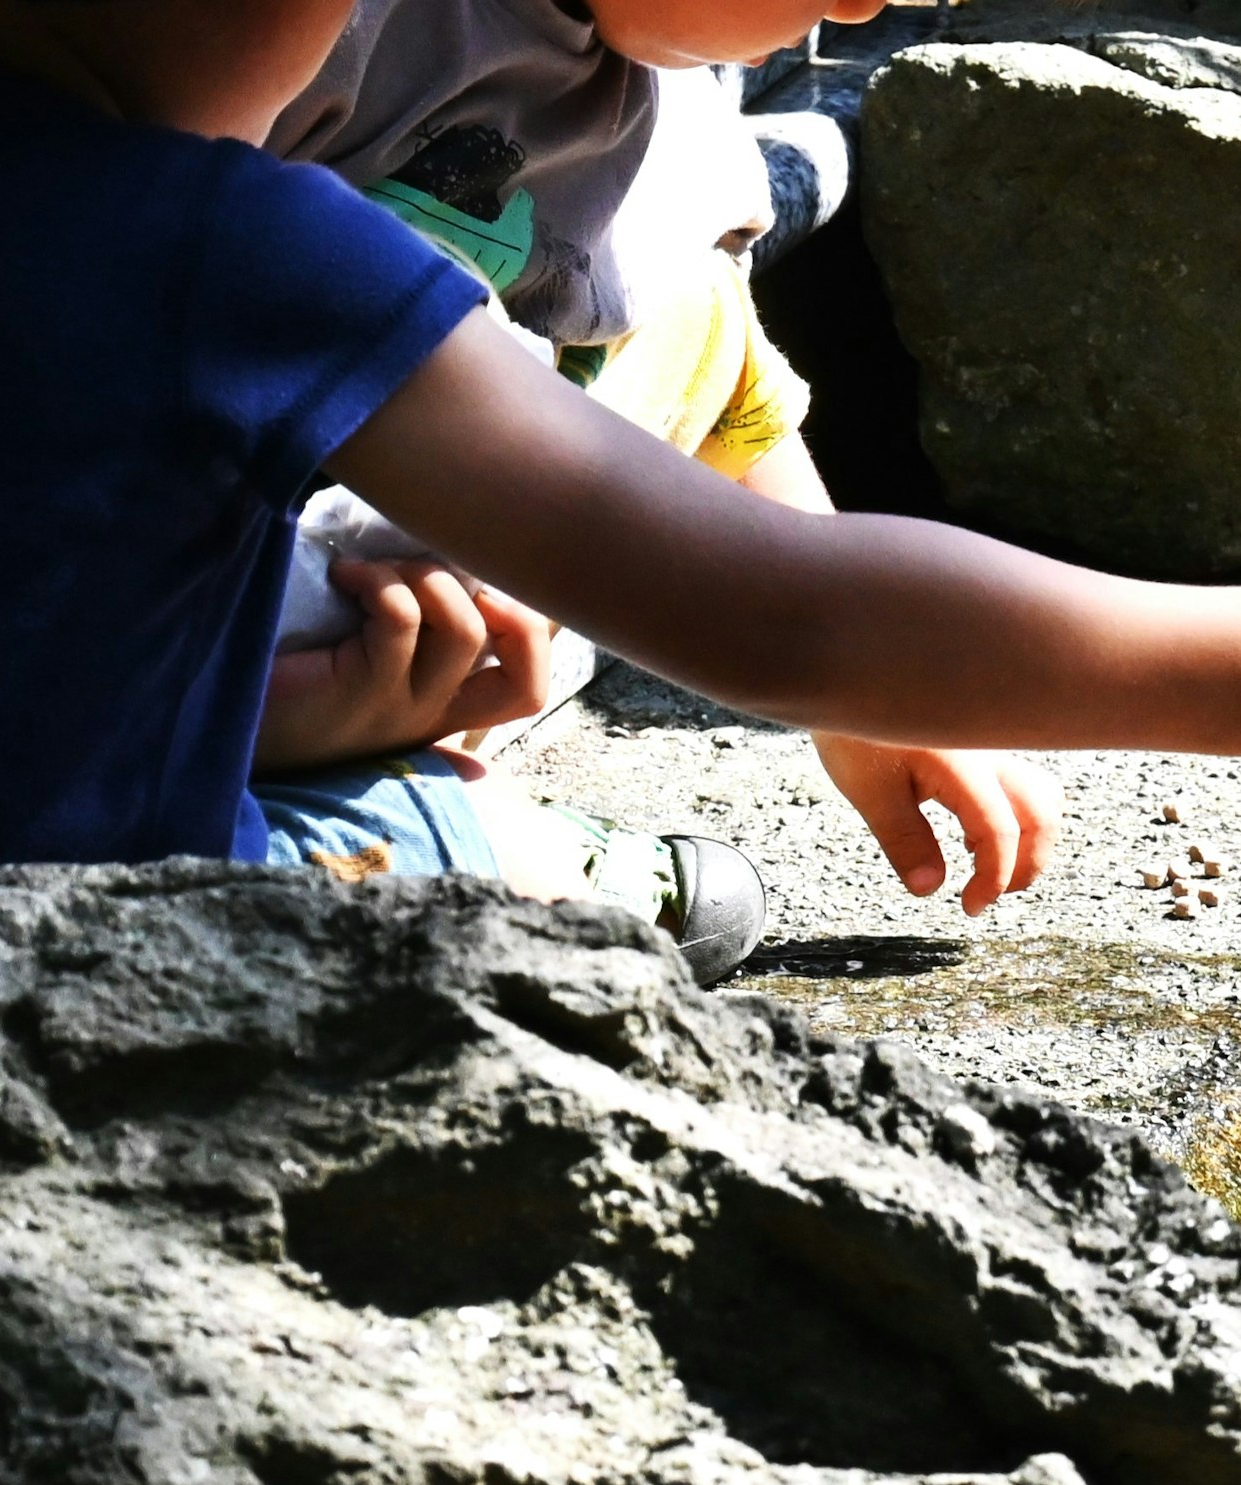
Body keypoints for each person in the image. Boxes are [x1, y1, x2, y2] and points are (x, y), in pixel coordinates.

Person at [0, 0, 1241, 945]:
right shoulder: (238, 252)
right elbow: (778, 614)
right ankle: (488, 859)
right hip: (87, 985)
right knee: (417, 881)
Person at [261, 0, 1068, 938]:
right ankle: (414, 826)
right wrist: (278, 715)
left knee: (688, 293)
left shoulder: (658, 72)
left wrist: (851, 673)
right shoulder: (308, 35)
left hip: (401, 635)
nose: (859, 9)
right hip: (148, 635)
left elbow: (708, 343)